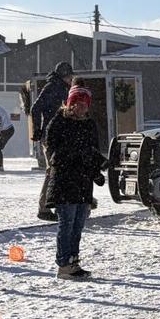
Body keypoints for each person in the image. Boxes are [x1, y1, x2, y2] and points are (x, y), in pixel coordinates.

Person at [44, 84, 106, 280]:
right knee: (67, 224)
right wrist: (78, 158)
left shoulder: (89, 125)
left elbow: (92, 151)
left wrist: (98, 169)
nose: (79, 108)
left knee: (78, 226)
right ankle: (63, 264)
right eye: (76, 104)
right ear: (69, 104)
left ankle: (74, 261)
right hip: (64, 182)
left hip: (83, 183)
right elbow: (55, 151)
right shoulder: (59, 123)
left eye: (83, 104)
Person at [33, 61, 74, 219]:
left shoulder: (61, 87)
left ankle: (57, 205)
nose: (71, 78)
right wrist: (38, 129)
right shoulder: (52, 87)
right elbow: (35, 108)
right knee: (53, 170)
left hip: (59, 135)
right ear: (64, 75)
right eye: (70, 75)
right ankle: (44, 207)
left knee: (59, 170)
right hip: (52, 136)